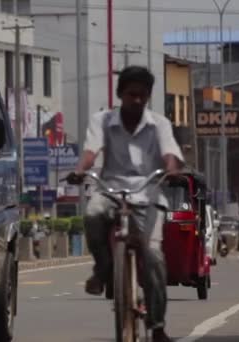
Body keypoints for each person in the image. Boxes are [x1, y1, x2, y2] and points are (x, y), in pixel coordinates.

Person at [66, 66, 183, 342]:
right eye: (132, 95)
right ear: (120, 94)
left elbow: (170, 154)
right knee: (93, 214)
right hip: (111, 190)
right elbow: (90, 152)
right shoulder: (102, 121)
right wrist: (80, 170)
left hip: (149, 193)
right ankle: (104, 266)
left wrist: (172, 170)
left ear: (148, 96)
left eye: (143, 95)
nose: (137, 101)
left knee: (154, 257)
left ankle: (156, 326)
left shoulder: (160, 124)